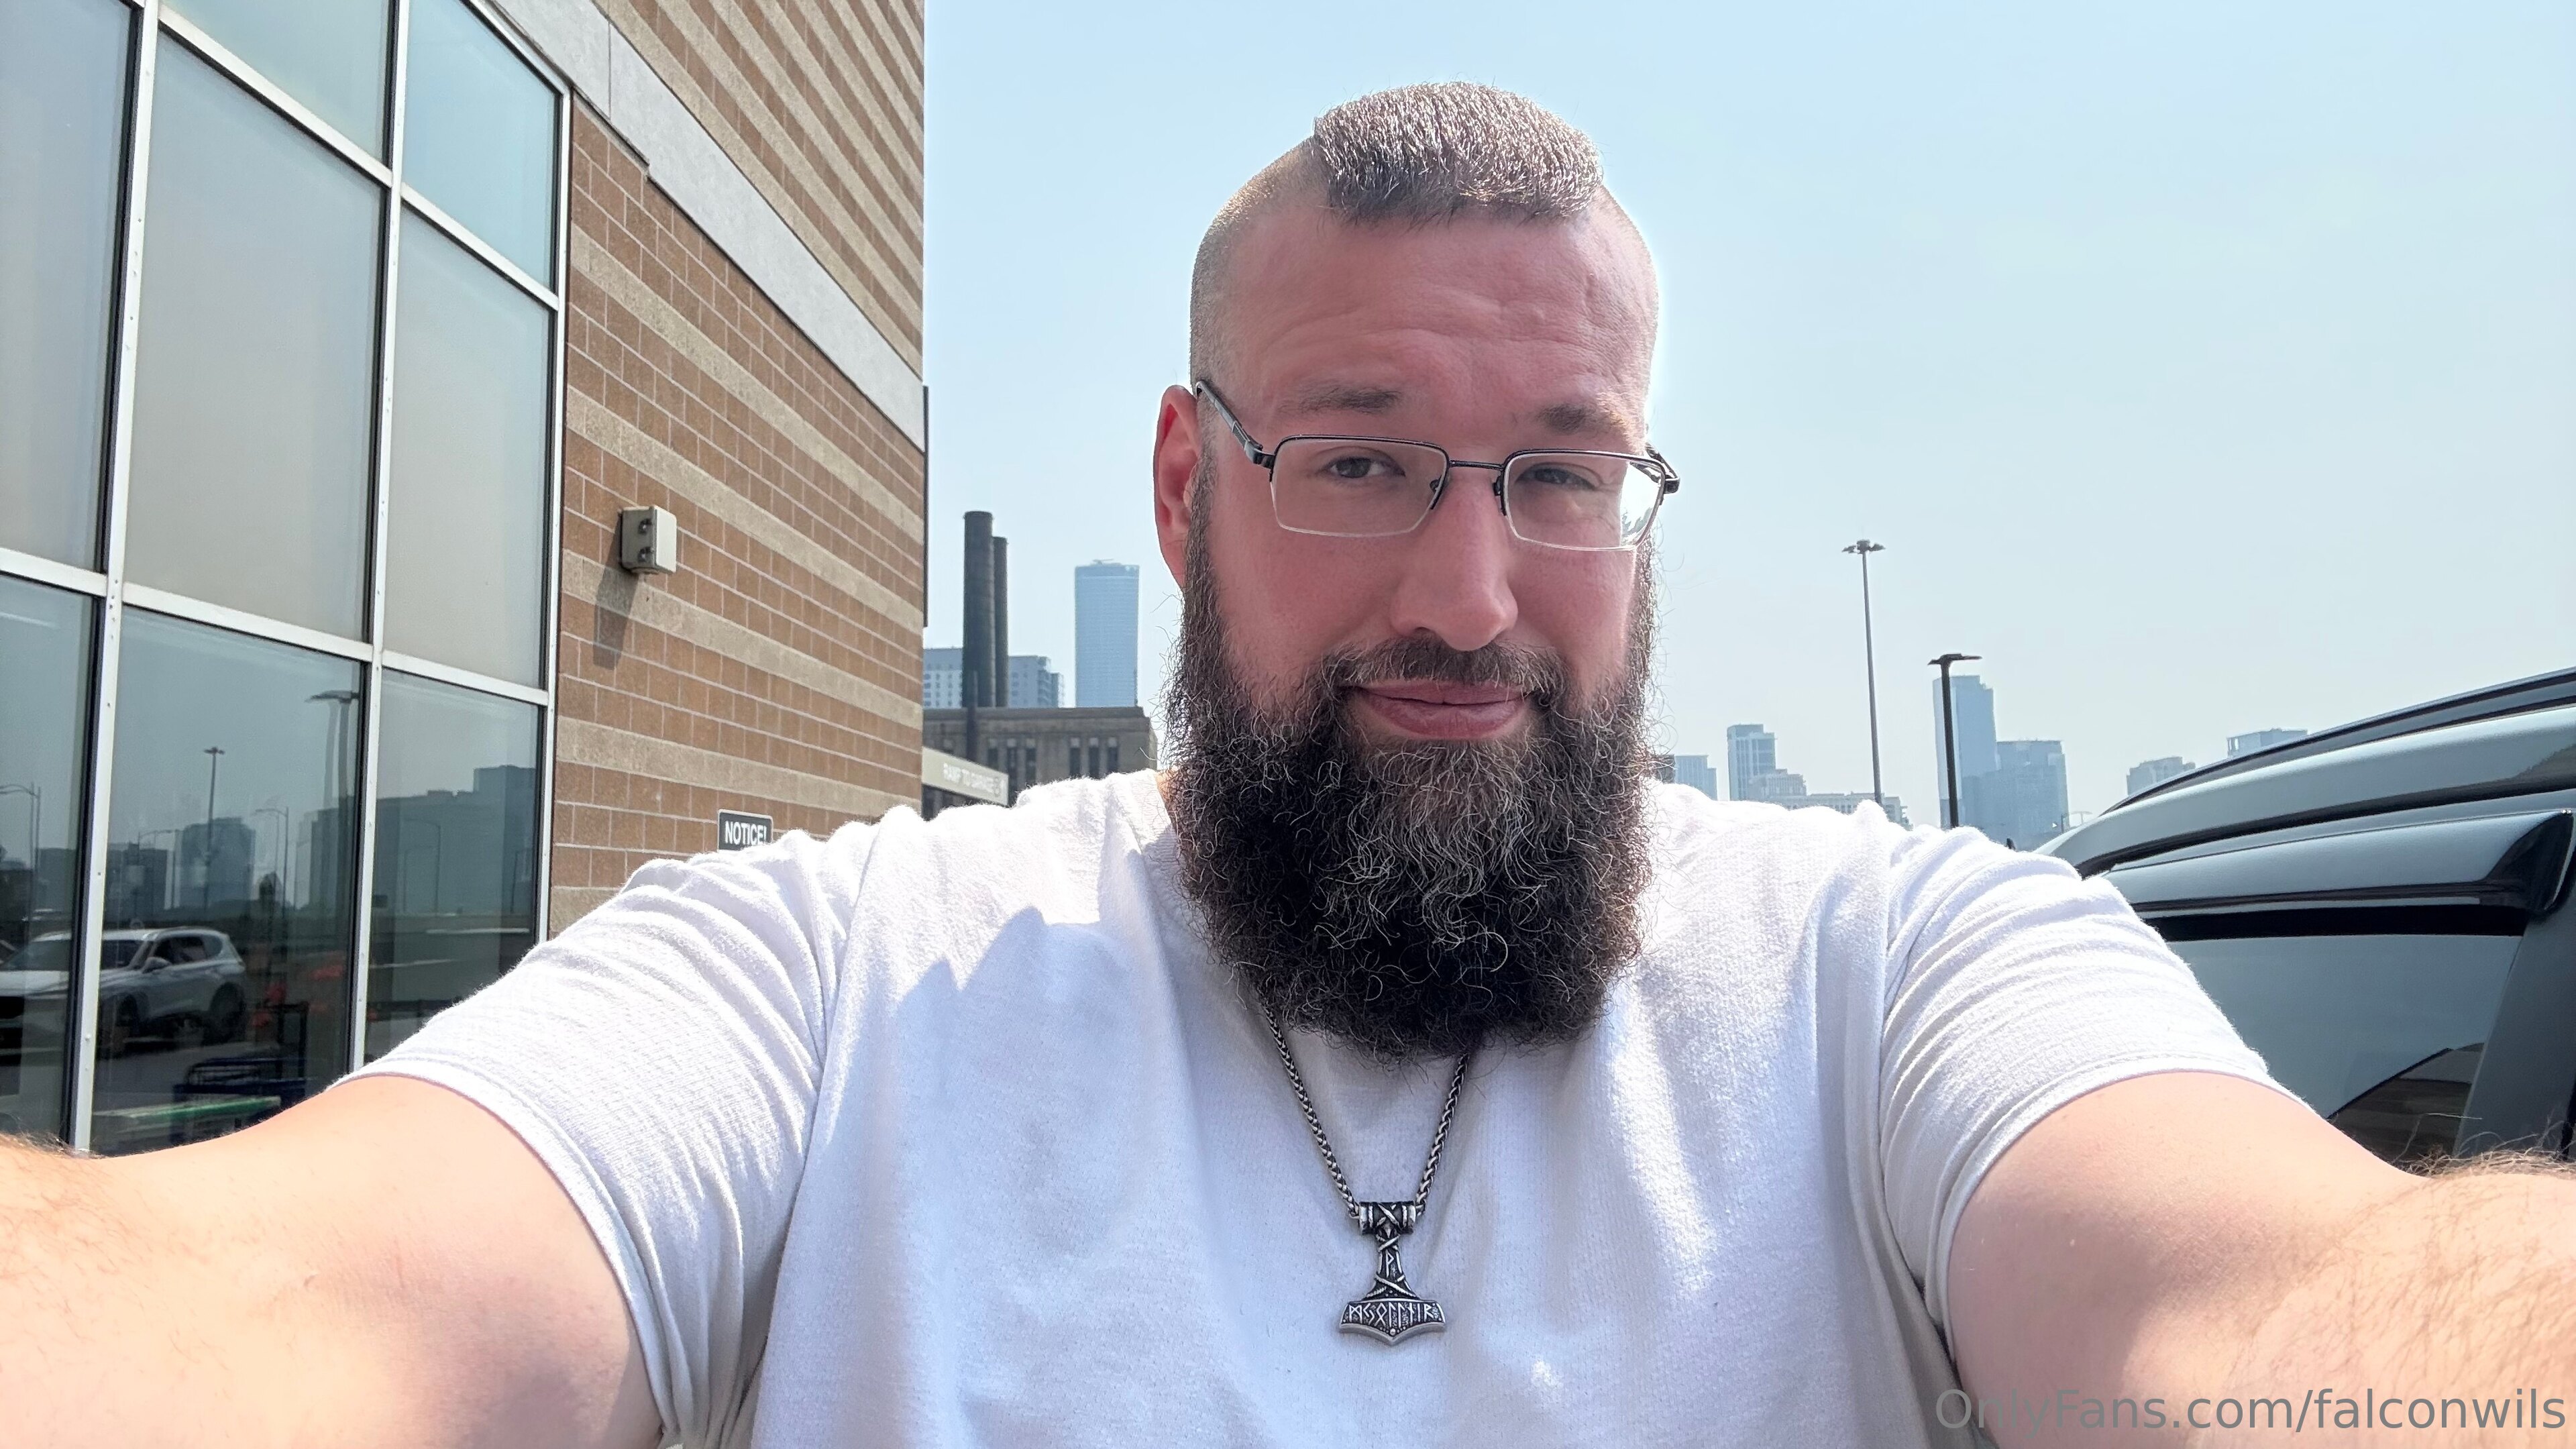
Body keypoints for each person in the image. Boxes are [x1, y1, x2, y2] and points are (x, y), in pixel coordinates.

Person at [3, 82, 2571, 1449]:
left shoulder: (1906, 964)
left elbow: (2280, 1307)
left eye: (1559, 474)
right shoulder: (830, 983)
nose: (1469, 591)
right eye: (1357, 458)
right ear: (1181, 486)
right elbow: (295, 1319)